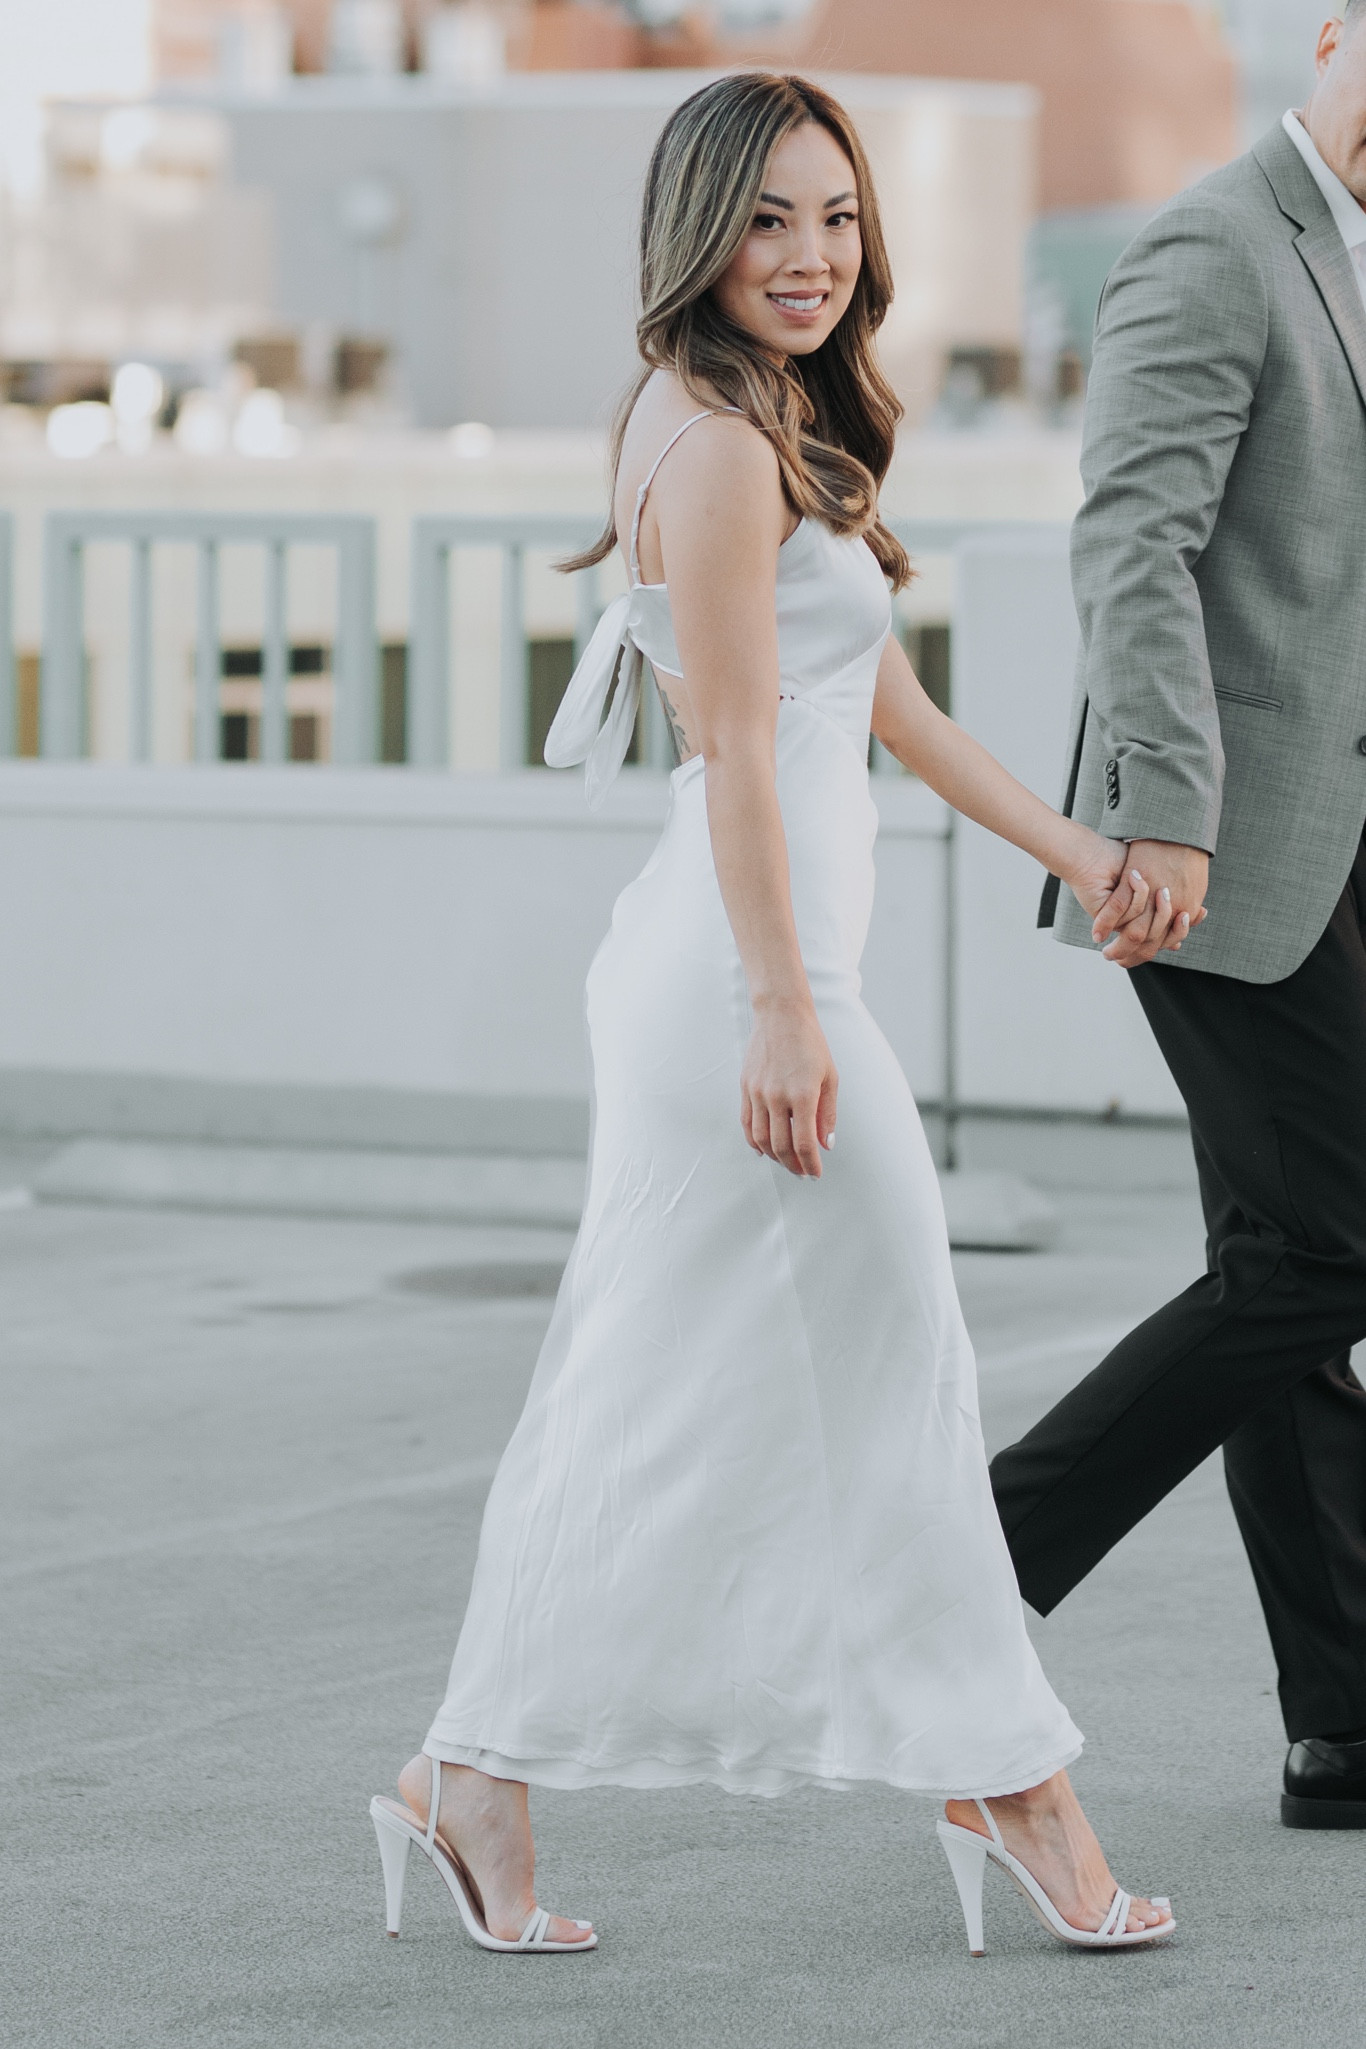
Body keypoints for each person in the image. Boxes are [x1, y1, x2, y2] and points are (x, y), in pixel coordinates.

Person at [369, 73, 1177, 1956]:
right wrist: (782, 1011)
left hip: (745, 970)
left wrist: (1077, 845)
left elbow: (875, 704)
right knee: (894, 1359)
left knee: (649, 1377)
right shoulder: (721, 446)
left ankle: (469, 1775)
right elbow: (737, 747)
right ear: (698, 231)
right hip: (742, 981)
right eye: (767, 221)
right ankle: (1008, 1775)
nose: (809, 257)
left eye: (834, 217)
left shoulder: (757, 412)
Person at [990, 11, 1366, 1831]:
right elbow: (1129, 537)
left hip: (1346, 832)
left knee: (1288, 1253)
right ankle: (982, 1551)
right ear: (1329, 37)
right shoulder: (1219, 240)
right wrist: (1160, 812)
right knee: (1327, 1245)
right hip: (1216, 839)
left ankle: (1344, 1722)